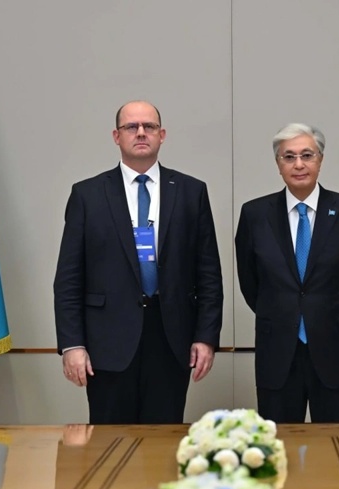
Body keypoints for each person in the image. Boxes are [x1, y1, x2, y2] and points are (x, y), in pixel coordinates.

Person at [54, 100, 223, 424]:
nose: (141, 133)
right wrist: (72, 344)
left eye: (149, 126)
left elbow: (209, 275)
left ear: (162, 135)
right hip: (107, 341)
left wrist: (206, 337)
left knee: (164, 439)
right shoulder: (88, 194)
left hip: (171, 338)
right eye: (132, 127)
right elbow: (69, 278)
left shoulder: (191, 192)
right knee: (110, 442)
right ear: (116, 136)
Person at [235, 123, 339, 423]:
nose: (298, 164)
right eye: (289, 157)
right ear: (278, 164)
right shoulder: (254, 215)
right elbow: (250, 283)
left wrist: (330, 316)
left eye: (307, 155)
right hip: (278, 354)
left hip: (337, 351)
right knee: (279, 446)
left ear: (320, 160)